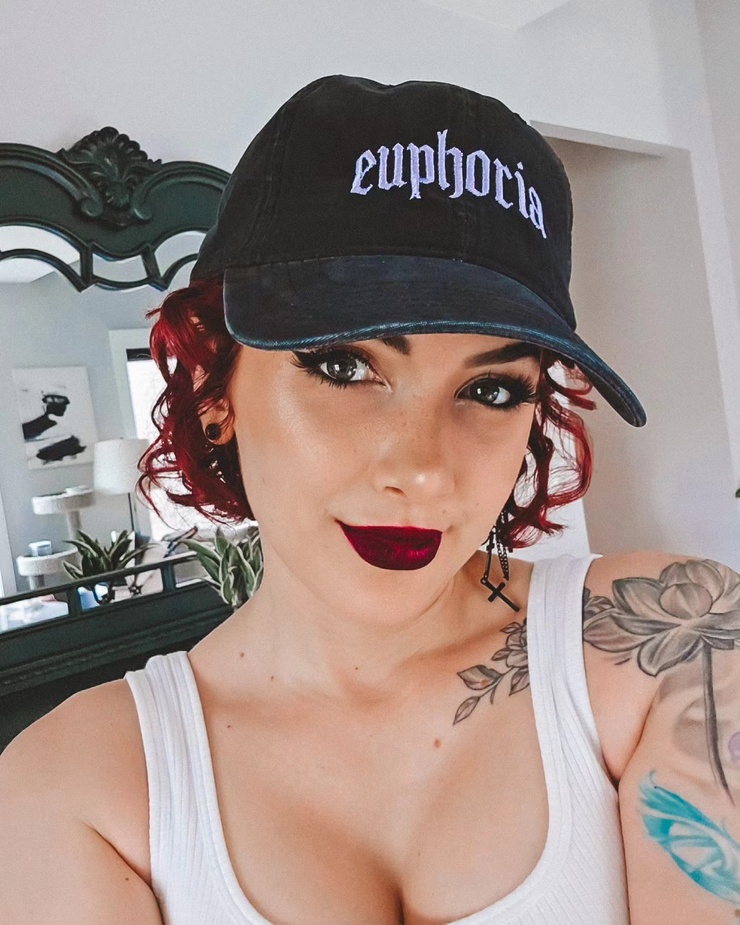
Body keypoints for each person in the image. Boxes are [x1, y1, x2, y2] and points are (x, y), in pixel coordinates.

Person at [1, 75, 738, 925]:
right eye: (344, 365)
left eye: (492, 389)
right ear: (213, 384)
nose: (422, 471)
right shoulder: (78, 787)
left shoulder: (674, 644)